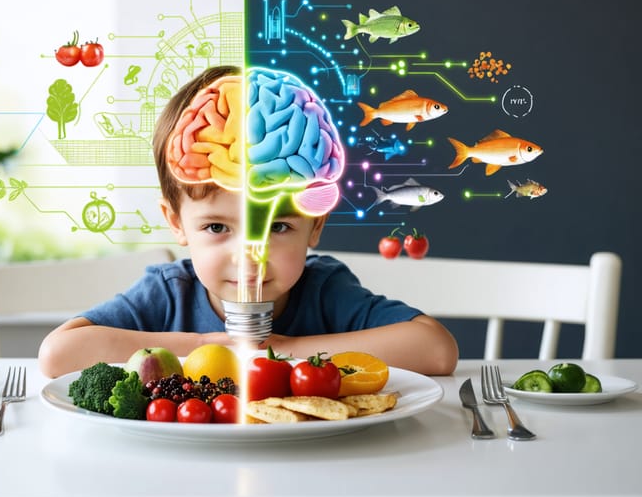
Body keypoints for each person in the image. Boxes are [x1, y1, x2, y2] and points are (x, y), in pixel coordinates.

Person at [38, 65, 458, 378]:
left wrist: (282, 349)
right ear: (176, 222)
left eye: (278, 227)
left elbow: (436, 350)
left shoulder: (325, 290)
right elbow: (58, 354)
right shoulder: (170, 295)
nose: (247, 256)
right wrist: (203, 345)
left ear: (316, 225)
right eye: (217, 228)